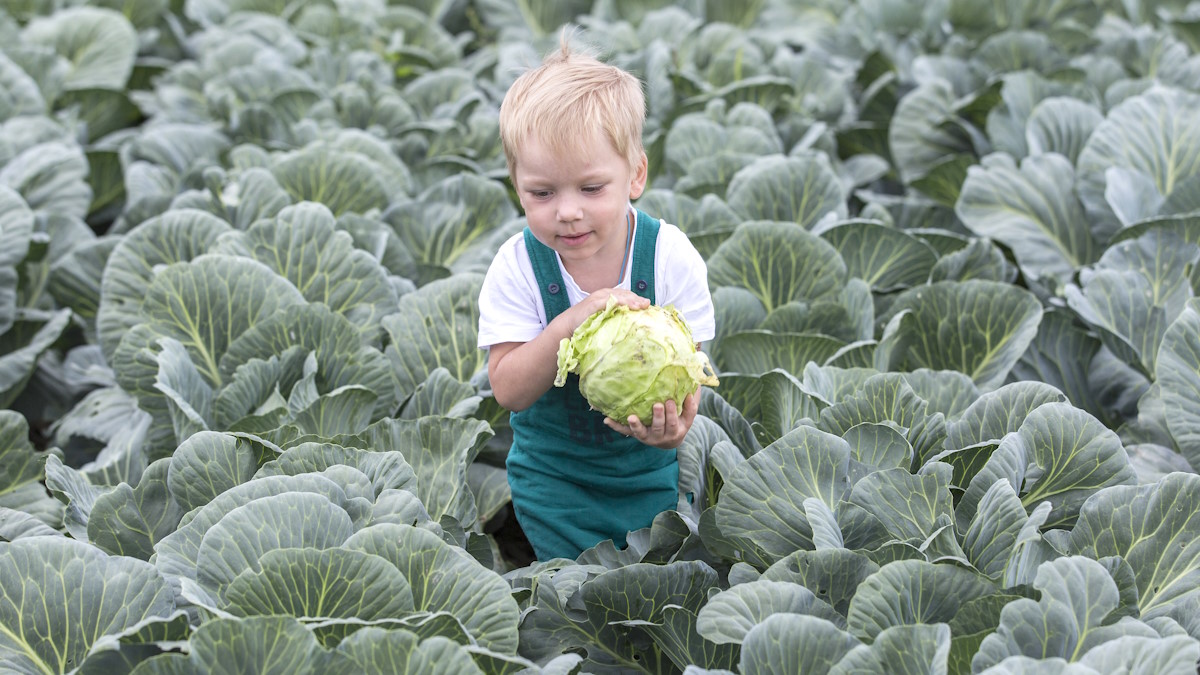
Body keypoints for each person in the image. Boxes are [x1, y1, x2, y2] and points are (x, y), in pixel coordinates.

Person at [476, 33, 716, 562]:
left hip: (650, 478)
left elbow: (688, 376)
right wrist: (571, 322)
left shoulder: (669, 256)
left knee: (649, 595)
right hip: (554, 486)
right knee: (574, 606)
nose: (567, 211)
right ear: (515, 185)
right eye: (542, 193)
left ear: (635, 175)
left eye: (590, 189)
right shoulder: (518, 267)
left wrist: (673, 431)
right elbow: (509, 389)